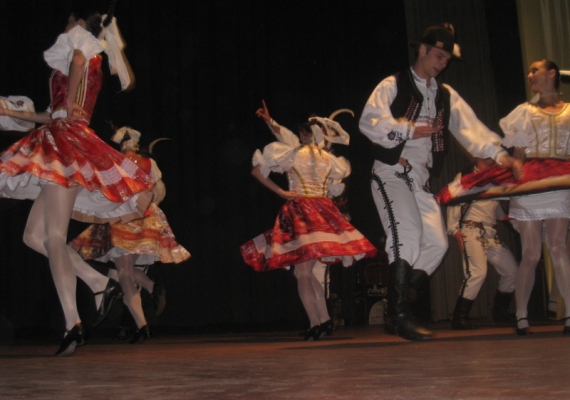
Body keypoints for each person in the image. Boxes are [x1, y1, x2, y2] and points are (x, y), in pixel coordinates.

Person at [0, 9, 154, 356]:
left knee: (53, 237)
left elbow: (78, 69)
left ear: (80, 23)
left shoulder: (81, 47)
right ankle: (98, 281)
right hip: (60, 135)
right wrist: (11, 112)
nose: (65, 27)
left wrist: (68, 105)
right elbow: (51, 113)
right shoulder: (78, 53)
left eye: (69, 21)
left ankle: (73, 323)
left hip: (65, 143)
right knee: (32, 236)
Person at [358, 23, 522, 341]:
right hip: (391, 171)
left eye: (446, 59)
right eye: (438, 55)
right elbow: (369, 121)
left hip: (419, 179)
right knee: (407, 235)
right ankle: (399, 315)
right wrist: (408, 129)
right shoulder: (394, 84)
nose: (442, 63)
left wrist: (501, 155)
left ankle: (396, 304)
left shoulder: (445, 96)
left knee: (437, 243)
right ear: (422, 50)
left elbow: (472, 129)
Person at [241, 101, 376, 340]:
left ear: (303, 133)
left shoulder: (293, 153)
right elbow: (336, 187)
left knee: (303, 273)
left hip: (302, 212)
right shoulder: (329, 159)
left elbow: (257, 171)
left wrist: (282, 192)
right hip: (324, 213)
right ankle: (324, 320)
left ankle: (315, 323)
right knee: (308, 272)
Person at [70, 127, 190, 343]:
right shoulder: (148, 163)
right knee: (127, 271)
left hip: (122, 217)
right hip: (146, 216)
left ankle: (144, 320)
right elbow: (157, 191)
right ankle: (148, 299)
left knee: (124, 273)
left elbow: (105, 190)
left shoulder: (114, 162)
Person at [500, 59, 570, 335]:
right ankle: (521, 315)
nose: (530, 75)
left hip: (560, 181)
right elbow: (518, 155)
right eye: (528, 71)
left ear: (552, 73)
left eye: (535, 70)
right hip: (531, 181)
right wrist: (515, 175)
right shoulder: (524, 112)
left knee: (558, 247)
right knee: (530, 253)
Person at [446, 157, 518, 329]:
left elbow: (499, 211)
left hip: (490, 232)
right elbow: (453, 200)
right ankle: (459, 318)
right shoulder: (466, 176)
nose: (490, 156)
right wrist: (454, 229)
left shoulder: (496, 180)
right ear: (476, 156)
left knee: (513, 272)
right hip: (471, 230)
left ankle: (500, 312)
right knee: (477, 273)